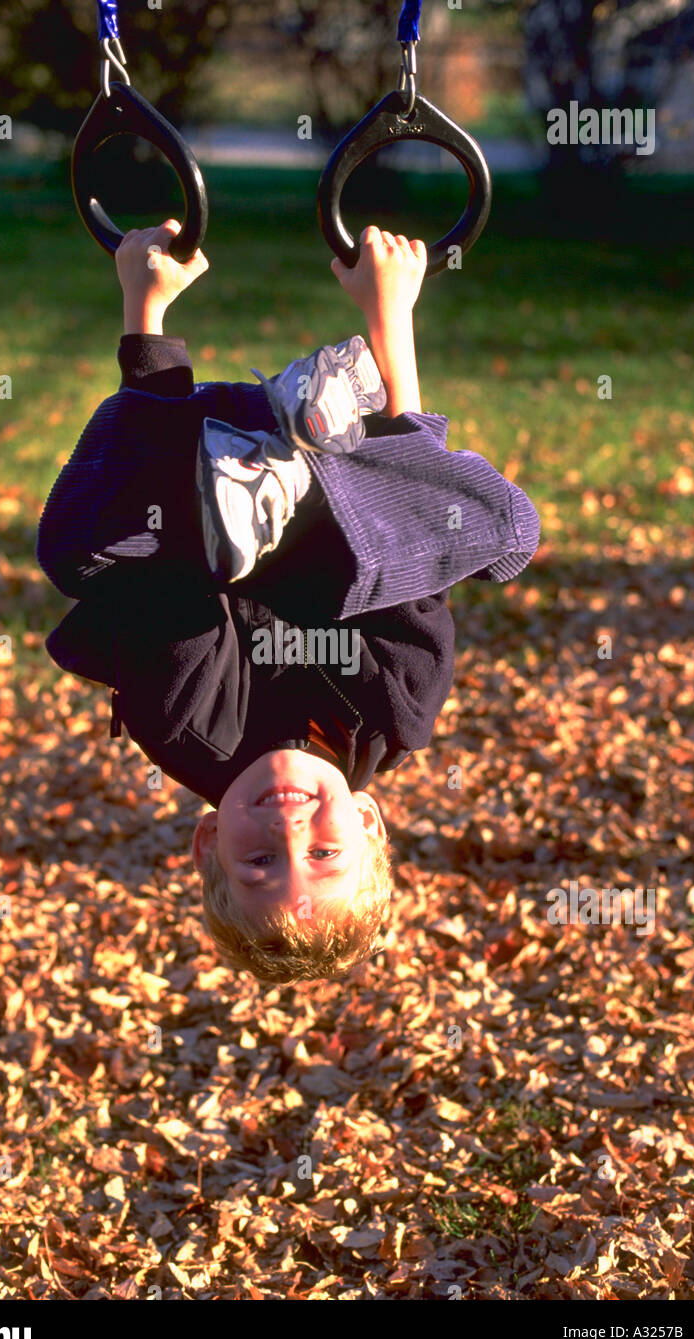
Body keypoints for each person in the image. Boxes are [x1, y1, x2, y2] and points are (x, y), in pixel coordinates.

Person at [37, 219, 540, 985]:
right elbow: (420, 511)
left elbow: (155, 527)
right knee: (504, 535)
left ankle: (267, 480)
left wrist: (147, 310)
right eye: (324, 853)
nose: (289, 824)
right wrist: (389, 315)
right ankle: (305, 458)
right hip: (346, 476)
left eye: (260, 858)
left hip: (195, 458)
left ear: (208, 844)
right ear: (369, 824)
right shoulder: (395, 711)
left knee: (84, 553)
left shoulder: (183, 725)